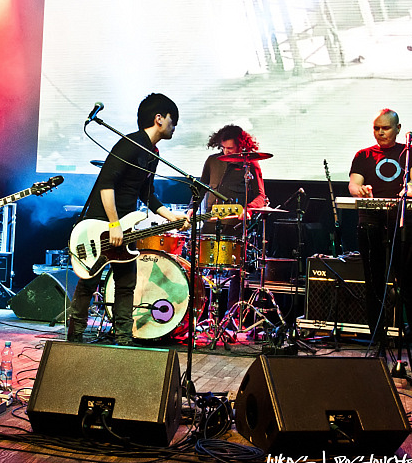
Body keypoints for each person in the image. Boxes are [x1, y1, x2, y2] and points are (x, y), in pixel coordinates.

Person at [67, 93, 190, 345]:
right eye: (172, 120)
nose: (174, 126)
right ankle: (74, 338)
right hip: (102, 222)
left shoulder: (152, 153)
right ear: (159, 119)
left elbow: (147, 193)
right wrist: (113, 223)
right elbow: (106, 184)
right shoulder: (129, 144)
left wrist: (171, 216)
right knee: (89, 282)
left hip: (124, 225)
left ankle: (123, 338)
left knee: (126, 284)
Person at [348, 108, 412, 370]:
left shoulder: (411, 152)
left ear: (398, 129)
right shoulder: (362, 155)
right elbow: (353, 184)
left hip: (402, 221)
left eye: (385, 128)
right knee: (374, 284)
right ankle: (378, 345)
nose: (380, 133)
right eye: (376, 128)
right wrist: (359, 190)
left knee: (409, 284)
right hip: (370, 221)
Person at [192, 125, 268, 328]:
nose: (226, 152)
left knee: (237, 273)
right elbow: (201, 188)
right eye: (223, 148)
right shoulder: (212, 161)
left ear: (241, 146)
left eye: (231, 149)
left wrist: (249, 209)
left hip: (235, 226)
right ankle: (198, 316)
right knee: (199, 269)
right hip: (210, 224)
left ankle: (231, 319)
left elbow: (261, 196)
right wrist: (192, 208)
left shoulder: (251, 164)